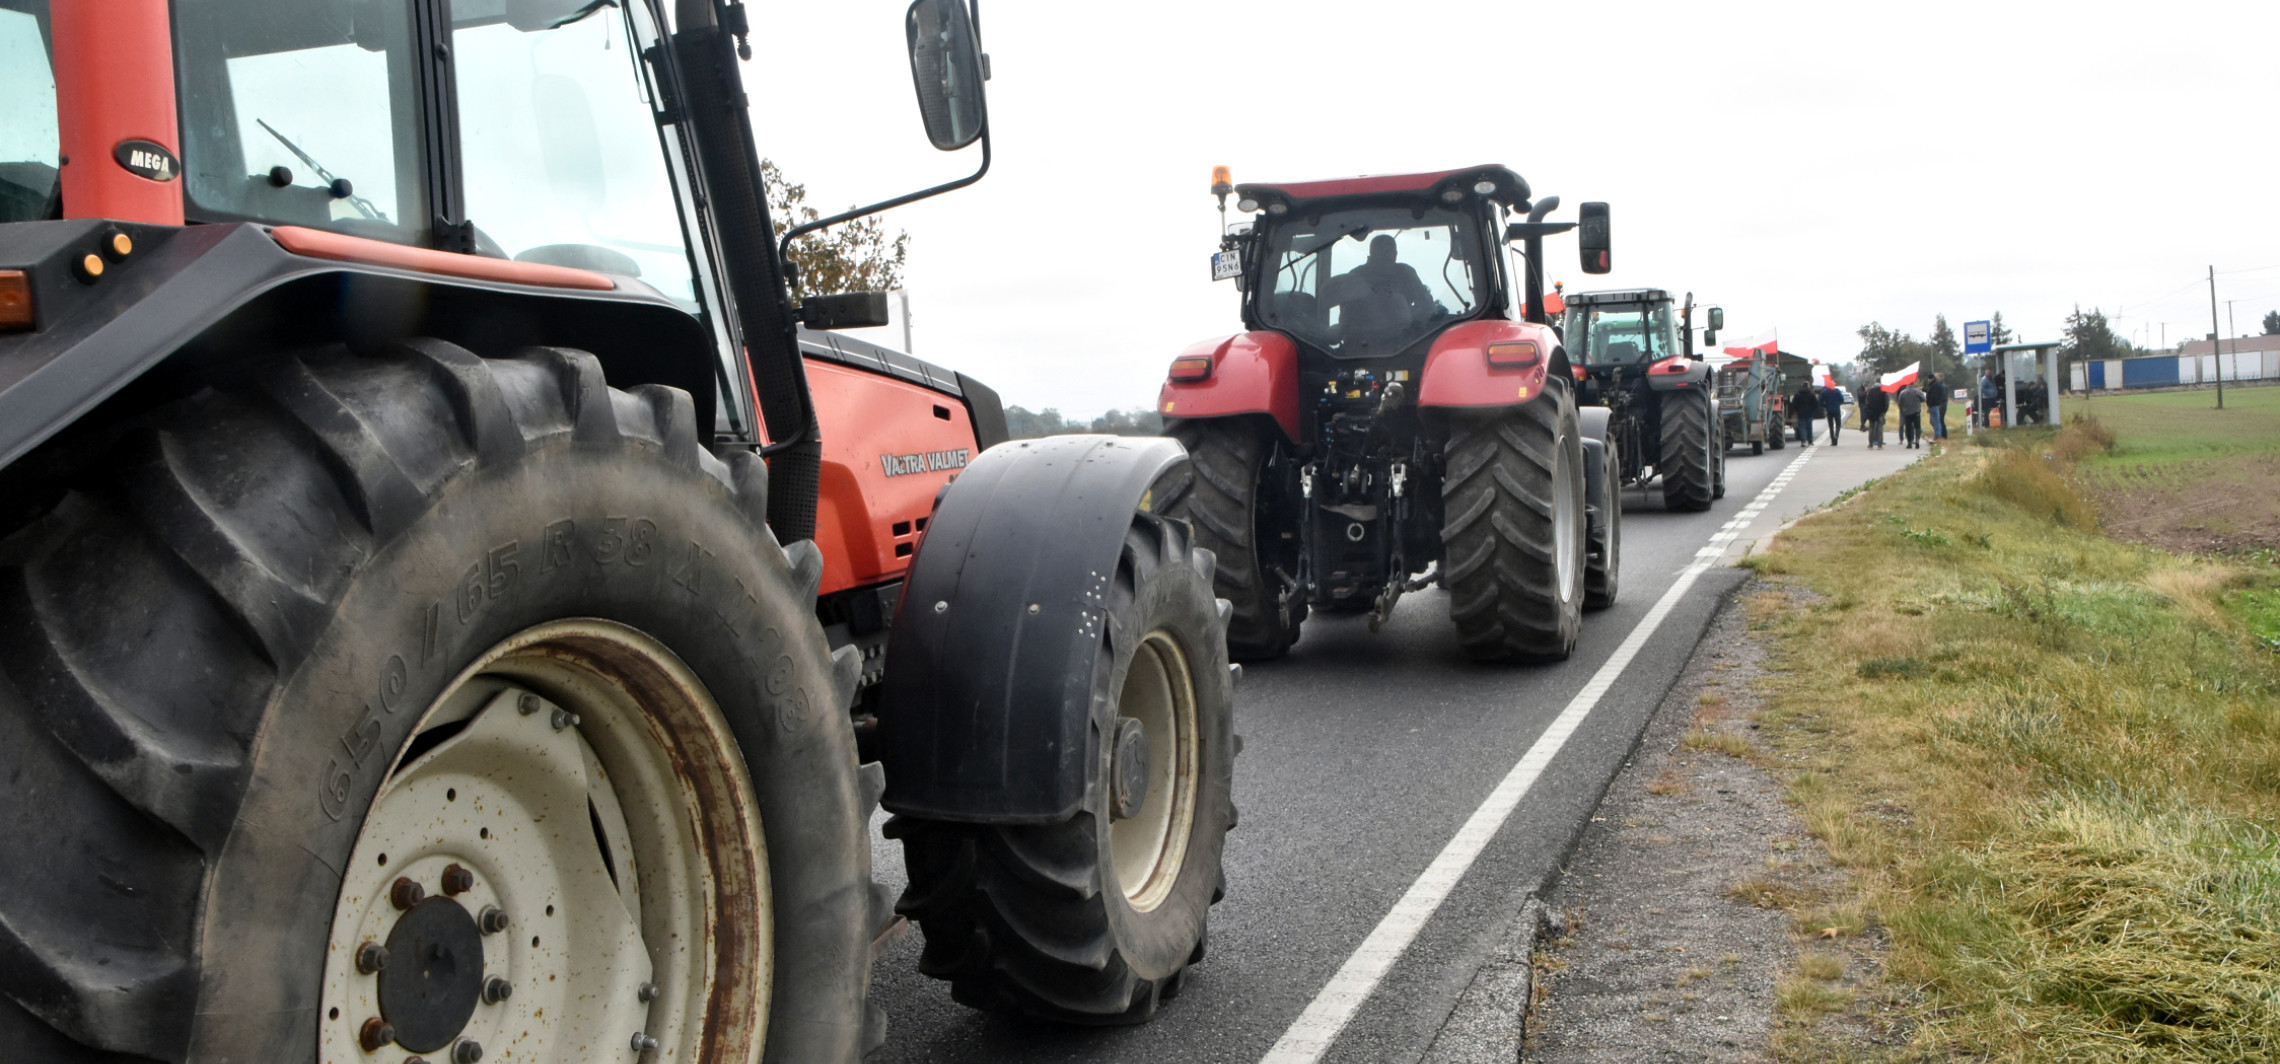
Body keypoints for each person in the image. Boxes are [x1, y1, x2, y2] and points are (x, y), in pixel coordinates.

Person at [1327, 234, 1437, 342]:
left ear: (1395, 254)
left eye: (1388, 252)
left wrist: (1411, 320)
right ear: (1372, 253)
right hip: (1361, 347)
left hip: (1405, 345)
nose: (1385, 255)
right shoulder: (1355, 277)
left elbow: (1426, 307)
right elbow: (1347, 318)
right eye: (1381, 252)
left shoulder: (1405, 273)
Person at [1858, 381, 1890, 449]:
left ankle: (1870, 444)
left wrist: (1869, 409)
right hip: (1880, 412)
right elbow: (1887, 402)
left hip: (1872, 412)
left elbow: (1867, 402)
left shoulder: (1870, 392)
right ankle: (1879, 445)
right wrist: (1884, 411)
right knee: (1880, 428)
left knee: (1871, 428)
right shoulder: (1883, 392)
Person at [1896, 379, 1926, 448]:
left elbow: (1900, 402)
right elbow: (1924, 399)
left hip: (1907, 412)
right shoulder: (1917, 391)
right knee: (1917, 427)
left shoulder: (1903, 392)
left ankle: (1909, 442)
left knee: (1908, 428)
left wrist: (1903, 410)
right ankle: (1917, 440)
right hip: (1916, 411)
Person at [1791, 381, 1820, 445]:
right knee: (1809, 427)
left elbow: (1794, 404)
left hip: (1801, 413)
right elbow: (1815, 404)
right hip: (1809, 413)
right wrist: (1813, 411)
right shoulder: (1811, 394)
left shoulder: (1798, 395)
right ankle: (1810, 441)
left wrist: (1796, 410)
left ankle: (1803, 441)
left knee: (1802, 427)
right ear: (1808, 386)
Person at [1925, 372, 1949, 439]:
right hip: (1936, 405)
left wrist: (1932, 403)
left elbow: (1939, 396)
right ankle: (1939, 434)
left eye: (1937, 376)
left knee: (1938, 421)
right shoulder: (1935, 385)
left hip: (1939, 406)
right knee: (1935, 421)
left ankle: (1941, 435)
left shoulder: (1940, 386)